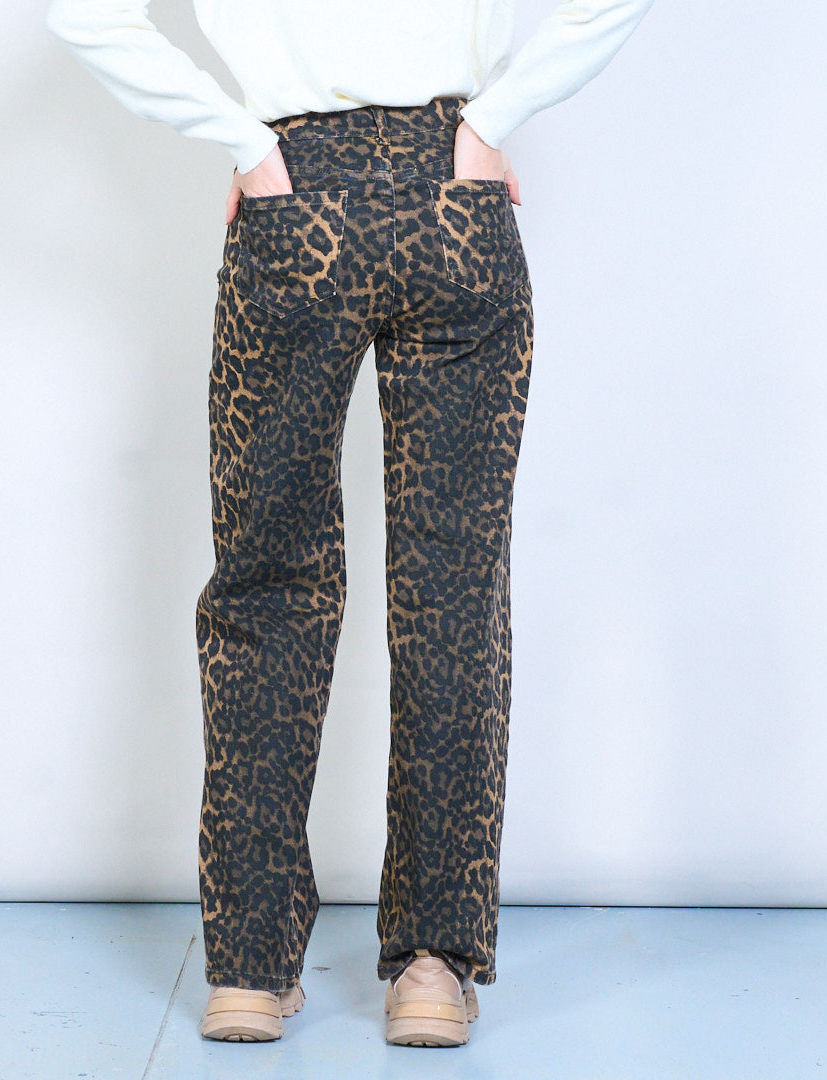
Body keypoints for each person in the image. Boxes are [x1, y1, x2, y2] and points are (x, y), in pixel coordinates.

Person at [46, 0, 655, 1048]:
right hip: (454, 201)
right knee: (451, 591)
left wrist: (244, 142)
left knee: (266, 588)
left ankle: (248, 967)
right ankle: (432, 967)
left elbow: (81, 13)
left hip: (294, 207)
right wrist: (491, 120)